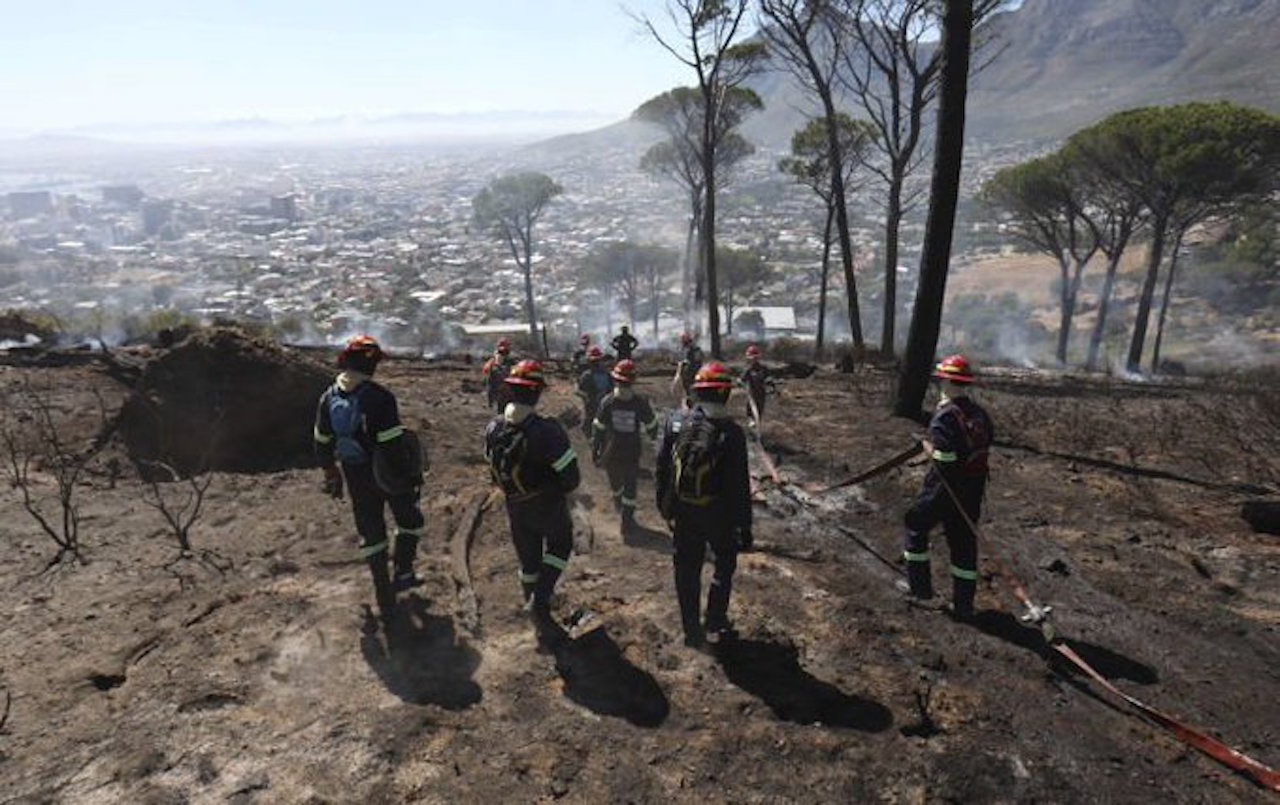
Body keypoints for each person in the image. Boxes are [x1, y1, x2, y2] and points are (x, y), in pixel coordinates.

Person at [314, 335, 426, 623]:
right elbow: (391, 445)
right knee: (410, 520)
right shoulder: (380, 398)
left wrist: (330, 471)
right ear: (371, 365)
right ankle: (403, 572)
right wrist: (409, 477)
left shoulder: (329, 397)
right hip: (385, 471)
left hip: (354, 472)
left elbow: (322, 440)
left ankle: (382, 592)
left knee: (371, 530)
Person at [484, 360, 581, 647]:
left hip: (514, 505)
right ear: (537, 392)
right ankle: (539, 601)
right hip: (546, 504)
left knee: (529, 562)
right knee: (560, 546)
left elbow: (490, 468)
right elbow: (571, 477)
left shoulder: (493, 427)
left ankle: (536, 613)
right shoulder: (548, 430)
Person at [656, 362, 752, 648]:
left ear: (697, 391)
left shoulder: (675, 421)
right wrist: (743, 527)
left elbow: (663, 467)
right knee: (725, 562)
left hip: (684, 511)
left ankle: (691, 631)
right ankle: (715, 617)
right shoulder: (732, 433)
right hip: (718, 513)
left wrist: (665, 507)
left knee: (686, 569)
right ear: (724, 393)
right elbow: (739, 486)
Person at [901, 354, 995, 621]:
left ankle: (920, 591)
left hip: (943, 489)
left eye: (942, 380)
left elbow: (946, 460)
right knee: (963, 544)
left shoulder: (945, 417)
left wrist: (928, 447)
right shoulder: (980, 414)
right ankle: (964, 605)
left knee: (915, 526)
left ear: (947, 383)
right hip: (972, 492)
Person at [592, 359, 659, 534]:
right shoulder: (639, 402)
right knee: (630, 485)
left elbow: (598, 428)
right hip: (632, 450)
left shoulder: (608, 402)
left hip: (611, 451)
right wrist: (653, 436)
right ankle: (627, 521)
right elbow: (652, 425)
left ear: (615, 379)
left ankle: (618, 503)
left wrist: (595, 451)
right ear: (633, 380)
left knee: (616, 483)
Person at [575, 345, 613, 437]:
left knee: (587, 426)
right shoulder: (607, 374)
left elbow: (578, 391)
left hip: (591, 408)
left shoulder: (586, 375)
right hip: (606, 409)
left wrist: (586, 397)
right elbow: (612, 390)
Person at [740, 344, 773, 426]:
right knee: (751, 409)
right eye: (752, 358)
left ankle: (757, 428)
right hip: (751, 393)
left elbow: (768, 378)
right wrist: (741, 383)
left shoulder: (763, 368)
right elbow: (742, 379)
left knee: (759, 411)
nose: (754, 359)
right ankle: (751, 421)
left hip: (761, 393)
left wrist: (770, 384)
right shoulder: (748, 369)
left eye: (756, 357)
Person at [481, 338, 516, 411]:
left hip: (510, 395)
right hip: (500, 395)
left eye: (505, 351)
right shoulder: (492, 363)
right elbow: (488, 381)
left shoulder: (512, 362)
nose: (504, 354)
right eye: (502, 352)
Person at [672, 332, 703, 405]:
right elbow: (681, 360)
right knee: (687, 389)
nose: (681, 342)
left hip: (693, 373)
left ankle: (695, 402)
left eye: (683, 339)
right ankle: (689, 402)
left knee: (693, 389)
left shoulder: (695, 349)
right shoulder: (684, 349)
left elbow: (698, 361)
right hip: (686, 374)